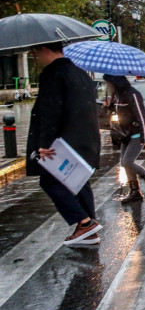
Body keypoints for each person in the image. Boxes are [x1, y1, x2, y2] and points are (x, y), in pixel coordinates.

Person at [26, 42, 102, 246]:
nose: (36, 58)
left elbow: (51, 111)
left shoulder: (53, 73)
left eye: (35, 52)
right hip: (85, 140)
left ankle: (85, 223)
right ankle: (89, 230)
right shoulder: (81, 74)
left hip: (62, 142)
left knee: (50, 182)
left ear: (43, 49)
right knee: (78, 181)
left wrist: (44, 143)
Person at [103, 74, 145, 203]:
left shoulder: (133, 94)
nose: (108, 86)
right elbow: (122, 113)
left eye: (109, 83)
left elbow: (141, 116)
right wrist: (110, 106)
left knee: (127, 162)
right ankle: (135, 192)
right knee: (124, 163)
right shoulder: (117, 96)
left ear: (116, 82)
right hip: (125, 134)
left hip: (136, 133)